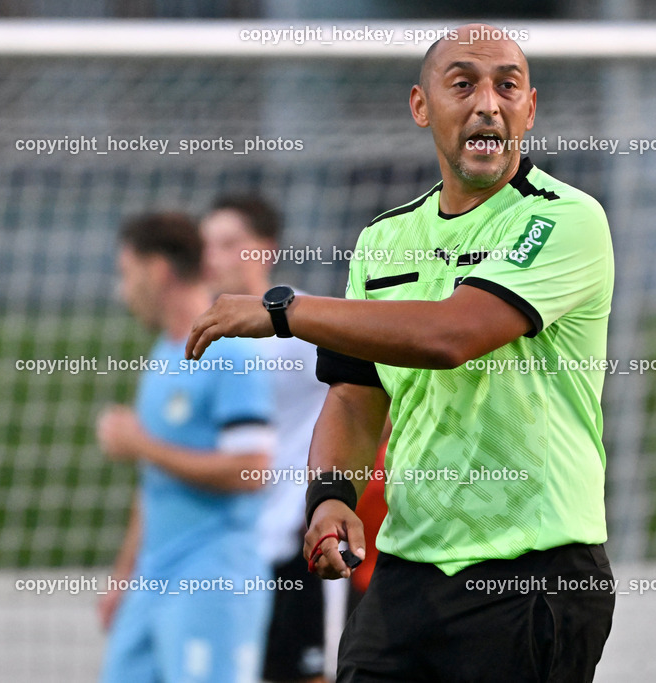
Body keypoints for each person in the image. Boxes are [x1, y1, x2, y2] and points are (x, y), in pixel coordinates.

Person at [185, 23, 616, 682]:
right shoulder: (384, 240)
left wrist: (284, 310)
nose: (488, 104)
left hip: (535, 569)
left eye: (508, 86)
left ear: (530, 108)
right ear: (421, 107)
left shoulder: (565, 219)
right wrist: (331, 496)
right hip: (407, 571)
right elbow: (357, 397)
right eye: (464, 83)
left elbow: (451, 335)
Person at [97, 212, 274, 683]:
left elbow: (253, 470)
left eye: (126, 273)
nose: (123, 289)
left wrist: (143, 445)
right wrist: (124, 575)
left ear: (157, 271)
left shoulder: (230, 350)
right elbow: (152, 483)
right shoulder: (162, 353)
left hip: (212, 578)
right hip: (150, 580)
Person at [201, 195, 339, 683]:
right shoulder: (200, 334)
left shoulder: (301, 325)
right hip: (223, 548)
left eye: (229, 243)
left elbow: (370, 401)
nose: (213, 256)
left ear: (264, 249)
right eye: (207, 245)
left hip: (288, 546)